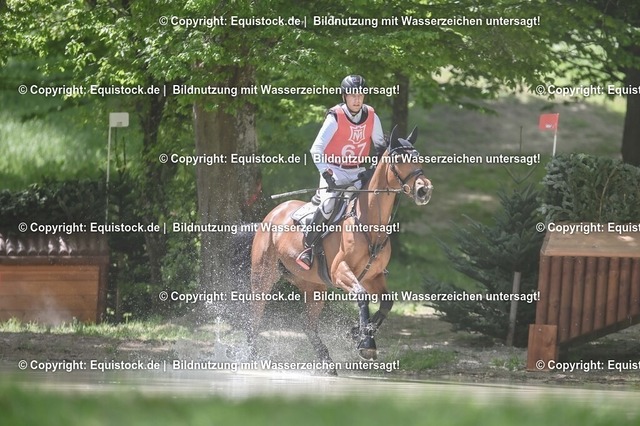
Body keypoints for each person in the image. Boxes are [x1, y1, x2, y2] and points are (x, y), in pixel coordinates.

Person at [296, 75, 387, 270]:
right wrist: (326, 174)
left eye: (360, 94)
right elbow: (316, 149)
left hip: (359, 172)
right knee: (329, 204)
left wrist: (371, 170)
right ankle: (309, 248)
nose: (357, 99)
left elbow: (381, 149)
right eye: (352, 95)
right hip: (334, 170)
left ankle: (375, 254)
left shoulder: (372, 116)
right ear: (344, 96)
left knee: (375, 204)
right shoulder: (335, 117)